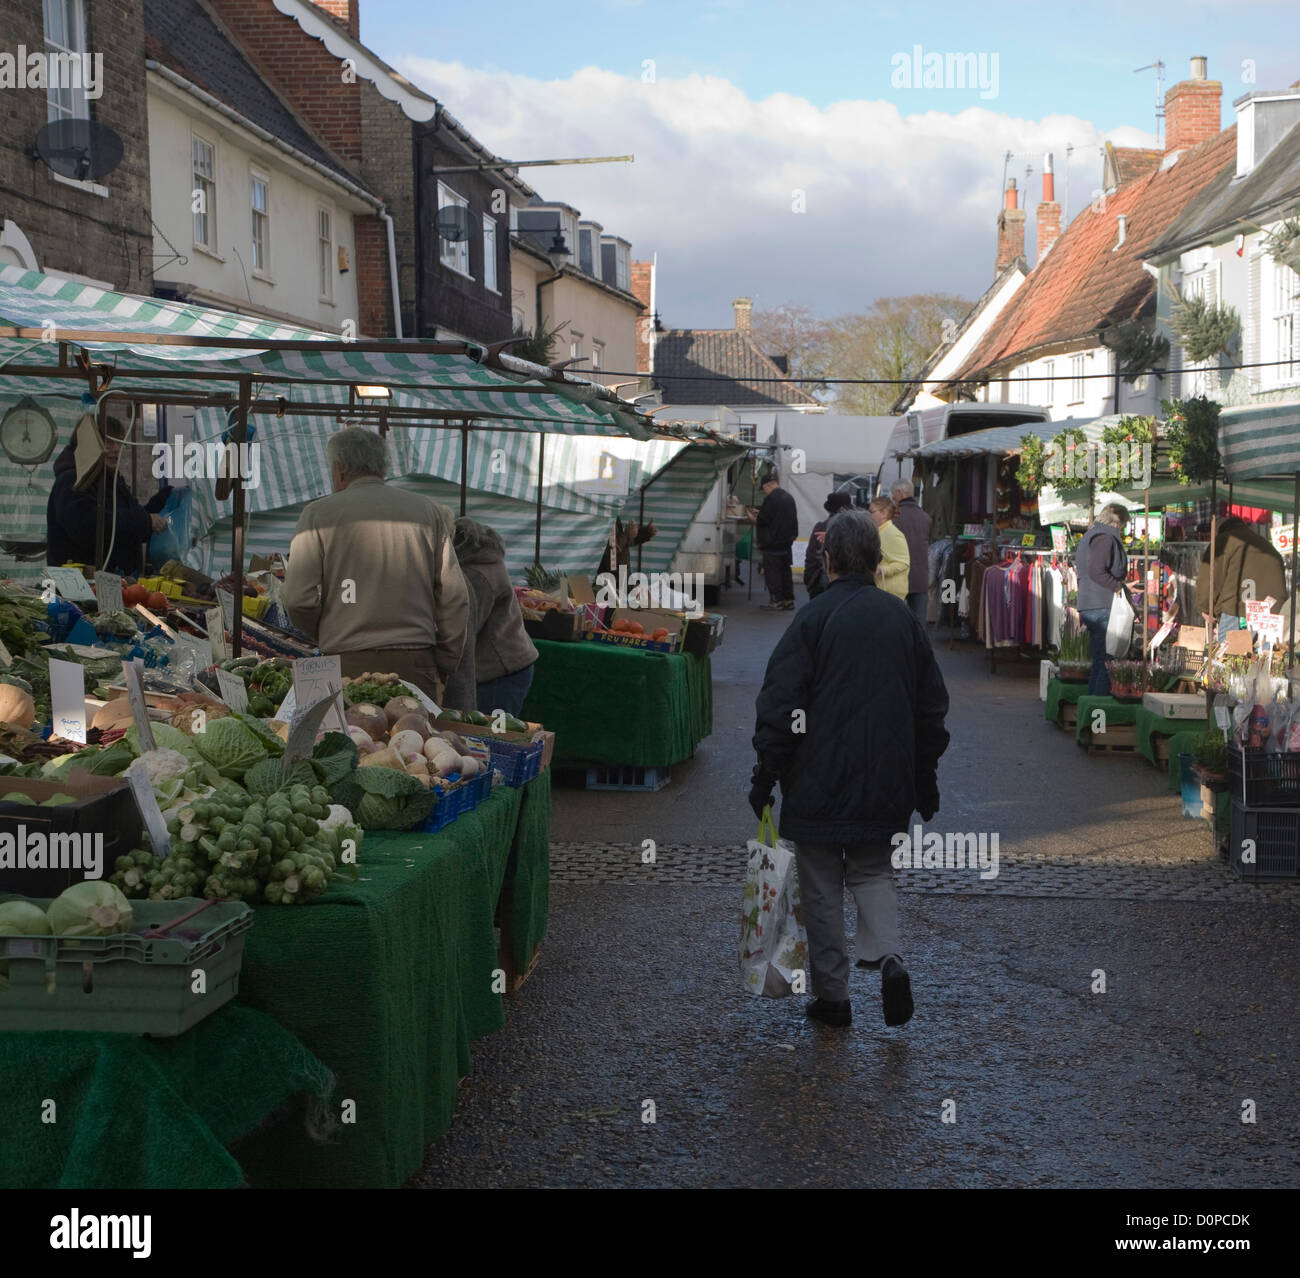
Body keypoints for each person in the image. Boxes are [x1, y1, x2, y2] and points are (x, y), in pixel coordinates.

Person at [750, 511, 950, 1030]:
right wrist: (923, 778)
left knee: (820, 886)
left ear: (829, 559)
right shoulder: (902, 620)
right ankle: (890, 959)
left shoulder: (812, 619)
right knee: (873, 872)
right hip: (886, 783)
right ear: (879, 561)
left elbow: (781, 703)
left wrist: (766, 774)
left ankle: (833, 999)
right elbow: (931, 707)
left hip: (814, 783)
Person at [283, 427, 469, 702]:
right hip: (416, 662)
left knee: (356, 741)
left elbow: (298, 599)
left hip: (346, 663)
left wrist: (329, 630)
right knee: (416, 740)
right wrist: (445, 661)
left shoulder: (317, 514)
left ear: (339, 469)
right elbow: (454, 598)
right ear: (383, 467)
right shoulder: (427, 511)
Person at [442, 517, 539, 717]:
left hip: (499, 670)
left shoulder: (476, 575)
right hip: (508, 664)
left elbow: (464, 632)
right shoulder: (486, 561)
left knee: (490, 737)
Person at [46, 415, 168, 575]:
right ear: (88, 443)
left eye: (119, 442)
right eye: (108, 442)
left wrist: (159, 503)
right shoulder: (72, 481)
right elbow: (89, 526)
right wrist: (144, 521)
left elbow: (127, 519)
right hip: (82, 588)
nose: (116, 448)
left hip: (116, 582)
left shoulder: (111, 480)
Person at [1074, 503, 1130, 696]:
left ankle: (1091, 711)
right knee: (1107, 663)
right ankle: (1099, 713)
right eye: (1123, 525)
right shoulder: (1105, 538)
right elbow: (1096, 571)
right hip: (1101, 604)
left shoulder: (1092, 535)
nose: (1123, 530)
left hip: (1091, 603)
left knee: (1099, 662)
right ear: (1117, 522)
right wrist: (1117, 587)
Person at [1194, 514, 1288, 624]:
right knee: (1264, 641)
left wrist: (1205, 608)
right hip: (1272, 613)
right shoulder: (1266, 545)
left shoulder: (1223, 541)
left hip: (1237, 612)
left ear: (1219, 530)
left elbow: (1209, 579)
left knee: (1232, 641)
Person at [891, 479, 932, 626]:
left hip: (897, 577)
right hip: (920, 577)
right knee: (919, 621)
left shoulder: (893, 518)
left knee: (895, 620)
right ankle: (919, 648)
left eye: (893, 494)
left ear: (900, 493)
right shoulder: (926, 517)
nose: (892, 498)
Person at [755, 471, 798, 611]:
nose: (765, 492)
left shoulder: (771, 499)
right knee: (785, 572)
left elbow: (764, 520)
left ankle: (777, 600)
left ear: (768, 485)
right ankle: (788, 599)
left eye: (764, 489)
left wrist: (754, 517)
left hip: (772, 543)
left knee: (773, 573)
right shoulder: (789, 497)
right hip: (786, 542)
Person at [803, 491, 854, 598]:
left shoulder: (821, 527)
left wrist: (808, 577)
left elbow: (811, 556)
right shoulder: (855, 528)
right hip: (850, 582)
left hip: (823, 579)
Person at [867, 497, 910, 600]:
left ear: (884, 513)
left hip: (891, 594)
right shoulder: (878, 532)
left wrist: (882, 570)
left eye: (871, 512)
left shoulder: (893, 534)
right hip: (882, 591)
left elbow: (903, 563)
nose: (868, 515)